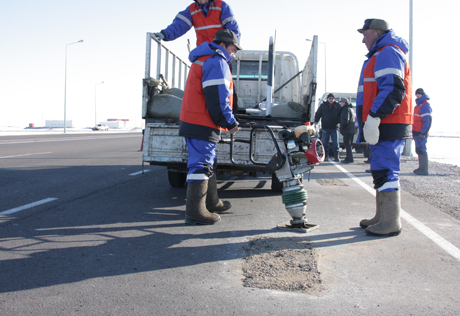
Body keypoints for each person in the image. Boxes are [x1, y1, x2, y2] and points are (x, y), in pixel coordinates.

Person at [356, 19, 413, 237]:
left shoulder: (388, 52)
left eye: (366, 34)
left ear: (377, 32)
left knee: (387, 171)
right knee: (381, 170)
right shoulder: (382, 52)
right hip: (384, 122)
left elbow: (393, 89)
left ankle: (390, 221)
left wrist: (374, 116)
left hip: (388, 122)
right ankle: (382, 216)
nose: (363, 39)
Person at [179, 29, 241, 225]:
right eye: (233, 48)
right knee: (201, 164)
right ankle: (196, 212)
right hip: (201, 121)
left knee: (208, 163)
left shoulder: (206, 58)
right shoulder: (216, 61)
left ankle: (212, 202)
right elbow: (217, 97)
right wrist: (229, 122)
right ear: (223, 44)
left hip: (197, 119)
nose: (234, 52)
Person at [152, 0, 241, 47]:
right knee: (197, 77)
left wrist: (232, 49)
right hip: (203, 52)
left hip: (221, 52)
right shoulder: (191, 10)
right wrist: (164, 34)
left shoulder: (222, 6)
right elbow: (179, 25)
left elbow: (233, 31)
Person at [314, 93, 341, 162]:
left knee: (336, 143)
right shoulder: (323, 106)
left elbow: (341, 115)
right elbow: (318, 114)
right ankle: (326, 156)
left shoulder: (337, 106)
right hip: (325, 127)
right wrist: (315, 121)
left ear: (334, 99)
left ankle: (336, 156)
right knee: (325, 142)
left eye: (332, 98)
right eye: (329, 98)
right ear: (327, 99)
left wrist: (340, 122)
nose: (331, 100)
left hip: (334, 127)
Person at [412, 88, 432, 175]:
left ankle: (424, 170)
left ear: (422, 94)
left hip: (421, 132)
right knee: (419, 150)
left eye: (419, 94)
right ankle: (421, 168)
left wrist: (423, 132)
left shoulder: (425, 105)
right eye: (416, 94)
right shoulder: (417, 106)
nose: (417, 95)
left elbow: (427, 121)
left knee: (422, 149)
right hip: (416, 131)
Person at [339, 98, 356, 164]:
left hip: (347, 130)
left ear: (344, 103)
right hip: (351, 129)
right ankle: (349, 157)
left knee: (347, 144)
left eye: (342, 102)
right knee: (349, 144)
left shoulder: (345, 109)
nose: (341, 104)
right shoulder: (351, 109)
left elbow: (345, 120)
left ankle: (349, 158)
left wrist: (342, 128)